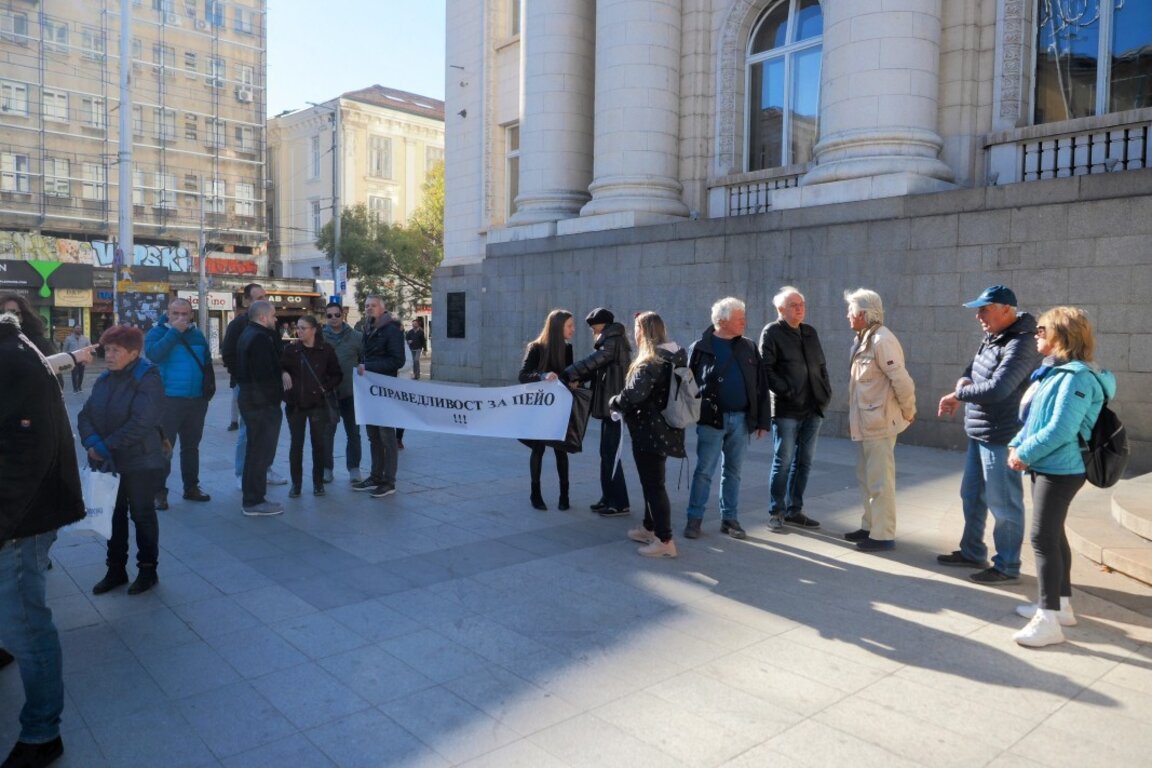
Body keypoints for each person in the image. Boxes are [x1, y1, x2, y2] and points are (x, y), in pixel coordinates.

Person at [0, 309, 86, 768]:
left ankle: (41, 731)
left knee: (29, 628)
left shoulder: (11, 357)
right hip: (19, 517)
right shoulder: (15, 349)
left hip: (17, 525)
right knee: (15, 619)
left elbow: (28, 452)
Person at [1007, 307, 1113, 648]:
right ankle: (1061, 606)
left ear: (1060, 336)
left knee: (1041, 539)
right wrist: (1016, 444)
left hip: (1062, 468)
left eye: (1041, 330)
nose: (1036, 335)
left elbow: (1060, 429)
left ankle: (1049, 619)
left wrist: (1024, 453)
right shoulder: (1055, 372)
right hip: (1048, 464)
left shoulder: (1076, 377)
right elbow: (1035, 420)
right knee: (1052, 535)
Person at [936, 285, 1042, 584]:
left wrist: (960, 393)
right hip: (981, 430)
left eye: (985, 309)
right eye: (978, 310)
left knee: (1004, 503)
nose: (979, 316)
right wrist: (964, 382)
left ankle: (1007, 565)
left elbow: (999, 389)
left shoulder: (1022, 343)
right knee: (971, 495)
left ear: (1007, 310)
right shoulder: (994, 335)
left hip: (1002, 434)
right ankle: (972, 551)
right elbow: (972, 368)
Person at [78, 325, 167, 594]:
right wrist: (92, 443)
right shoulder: (105, 379)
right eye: (107, 350)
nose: (110, 355)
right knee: (113, 517)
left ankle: (148, 570)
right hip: (109, 462)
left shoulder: (148, 378)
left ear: (134, 353)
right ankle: (115, 570)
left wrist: (104, 447)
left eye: (116, 350)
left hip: (140, 461)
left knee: (142, 515)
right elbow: (85, 414)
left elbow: (141, 422)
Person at [683, 297, 769, 540]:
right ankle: (694, 519)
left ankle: (729, 519)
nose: (745, 322)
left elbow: (761, 385)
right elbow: (687, 384)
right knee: (704, 471)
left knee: (733, 471)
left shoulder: (749, 346)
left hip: (742, 419)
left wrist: (762, 421)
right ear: (722, 320)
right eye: (739, 318)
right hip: (712, 420)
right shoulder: (701, 346)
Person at [843, 289, 917, 552]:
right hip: (866, 422)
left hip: (880, 422)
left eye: (851, 311)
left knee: (880, 480)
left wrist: (909, 410)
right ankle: (870, 526)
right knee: (865, 476)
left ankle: (883, 535)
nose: (848, 316)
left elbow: (902, 381)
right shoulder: (864, 338)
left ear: (863, 314)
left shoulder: (882, 340)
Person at [609, 312, 686, 558]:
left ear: (643, 331)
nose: (634, 332)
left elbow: (633, 395)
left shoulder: (650, 361)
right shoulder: (674, 355)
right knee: (651, 482)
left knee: (654, 485)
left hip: (649, 431)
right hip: (667, 428)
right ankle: (648, 527)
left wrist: (614, 401)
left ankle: (665, 540)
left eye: (636, 328)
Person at [759, 286, 832, 532]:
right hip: (787, 409)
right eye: (794, 305)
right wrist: (788, 391)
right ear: (781, 309)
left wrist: (825, 393)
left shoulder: (809, 332)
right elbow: (766, 370)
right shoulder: (772, 332)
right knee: (784, 461)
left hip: (813, 407)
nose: (800, 308)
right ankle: (776, 512)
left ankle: (795, 510)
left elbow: (822, 366)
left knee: (805, 461)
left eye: (801, 304)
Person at [560, 307, 632, 517]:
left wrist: (569, 373)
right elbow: (598, 370)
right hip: (609, 407)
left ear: (603, 324)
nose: (591, 329)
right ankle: (608, 497)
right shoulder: (610, 340)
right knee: (606, 454)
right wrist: (579, 379)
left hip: (615, 409)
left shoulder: (613, 341)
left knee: (611, 454)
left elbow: (595, 361)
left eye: (594, 325)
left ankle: (619, 503)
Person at [144, 298, 213, 510]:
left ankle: (191, 487)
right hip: (169, 401)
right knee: (165, 448)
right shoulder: (157, 332)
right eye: (176, 313)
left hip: (196, 401)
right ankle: (158, 493)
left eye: (185, 314)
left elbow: (206, 362)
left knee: (192, 447)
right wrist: (174, 332)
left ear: (191, 314)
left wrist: (205, 392)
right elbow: (154, 354)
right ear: (168, 313)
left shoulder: (197, 334)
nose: (181, 318)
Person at [221, 283, 287, 488]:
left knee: (269, 431)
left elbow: (278, 353)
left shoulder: (270, 324)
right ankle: (243, 472)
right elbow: (229, 354)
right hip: (248, 387)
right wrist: (242, 377)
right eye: (259, 297)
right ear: (248, 301)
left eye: (265, 296)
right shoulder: (240, 325)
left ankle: (265, 468)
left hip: (270, 389)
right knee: (247, 431)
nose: (264, 300)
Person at [518, 309, 575, 511]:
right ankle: (535, 493)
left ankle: (564, 495)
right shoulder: (536, 348)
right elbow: (523, 375)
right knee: (538, 449)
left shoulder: (568, 349)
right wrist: (543, 375)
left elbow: (569, 375)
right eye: (569, 325)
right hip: (539, 408)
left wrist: (573, 382)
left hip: (559, 408)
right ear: (558, 327)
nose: (573, 329)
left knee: (562, 451)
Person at [281, 315, 343, 497]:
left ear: (314, 330)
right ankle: (296, 484)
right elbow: (280, 366)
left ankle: (318, 483)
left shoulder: (326, 350)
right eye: (298, 328)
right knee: (296, 445)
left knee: (318, 444)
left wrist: (324, 387)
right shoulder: (291, 350)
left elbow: (337, 375)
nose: (299, 331)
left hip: (318, 405)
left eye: (303, 328)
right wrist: (283, 372)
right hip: (295, 405)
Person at [235, 301, 286, 516]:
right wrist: (276, 399)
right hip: (261, 404)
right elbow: (265, 375)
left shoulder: (249, 333)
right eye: (274, 316)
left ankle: (253, 497)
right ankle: (254, 501)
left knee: (255, 451)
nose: (276, 320)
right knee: (259, 453)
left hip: (253, 401)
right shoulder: (259, 339)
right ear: (263, 317)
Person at [352, 296, 406, 499]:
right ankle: (375, 476)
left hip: (384, 388)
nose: (368, 308)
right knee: (373, 434)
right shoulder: (368, 327)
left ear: (383, 308)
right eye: (366, 306)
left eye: (372, 305)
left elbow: (397, 360)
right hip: (369, 388)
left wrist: (369, 367)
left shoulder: (391, 329)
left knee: (386, 436)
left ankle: (389, 481)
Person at [321, 303, 363, 483]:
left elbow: (365, 358)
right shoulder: (319, 337)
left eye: (336, 314)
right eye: (329, 316)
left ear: (343, 314)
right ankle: (326, 469)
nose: (333, 318)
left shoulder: (357, 337)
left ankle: (354, 468)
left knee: (353, 432)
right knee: (327, 433)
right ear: (325, 317)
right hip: (328, 395)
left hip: (351, 393)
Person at [62, 325, 91, 393]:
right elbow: (65, 350)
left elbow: (89, 349)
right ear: (74, 329)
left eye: (80, 328)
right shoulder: (68, 338)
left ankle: (79, 387)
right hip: (73, 359)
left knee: (81, 374)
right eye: (77, 328)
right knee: (74, 374)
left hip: (82, 359)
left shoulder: (85, 338)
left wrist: (87, 359)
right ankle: (75, 388)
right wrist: (66, 358)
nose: (79, 330)